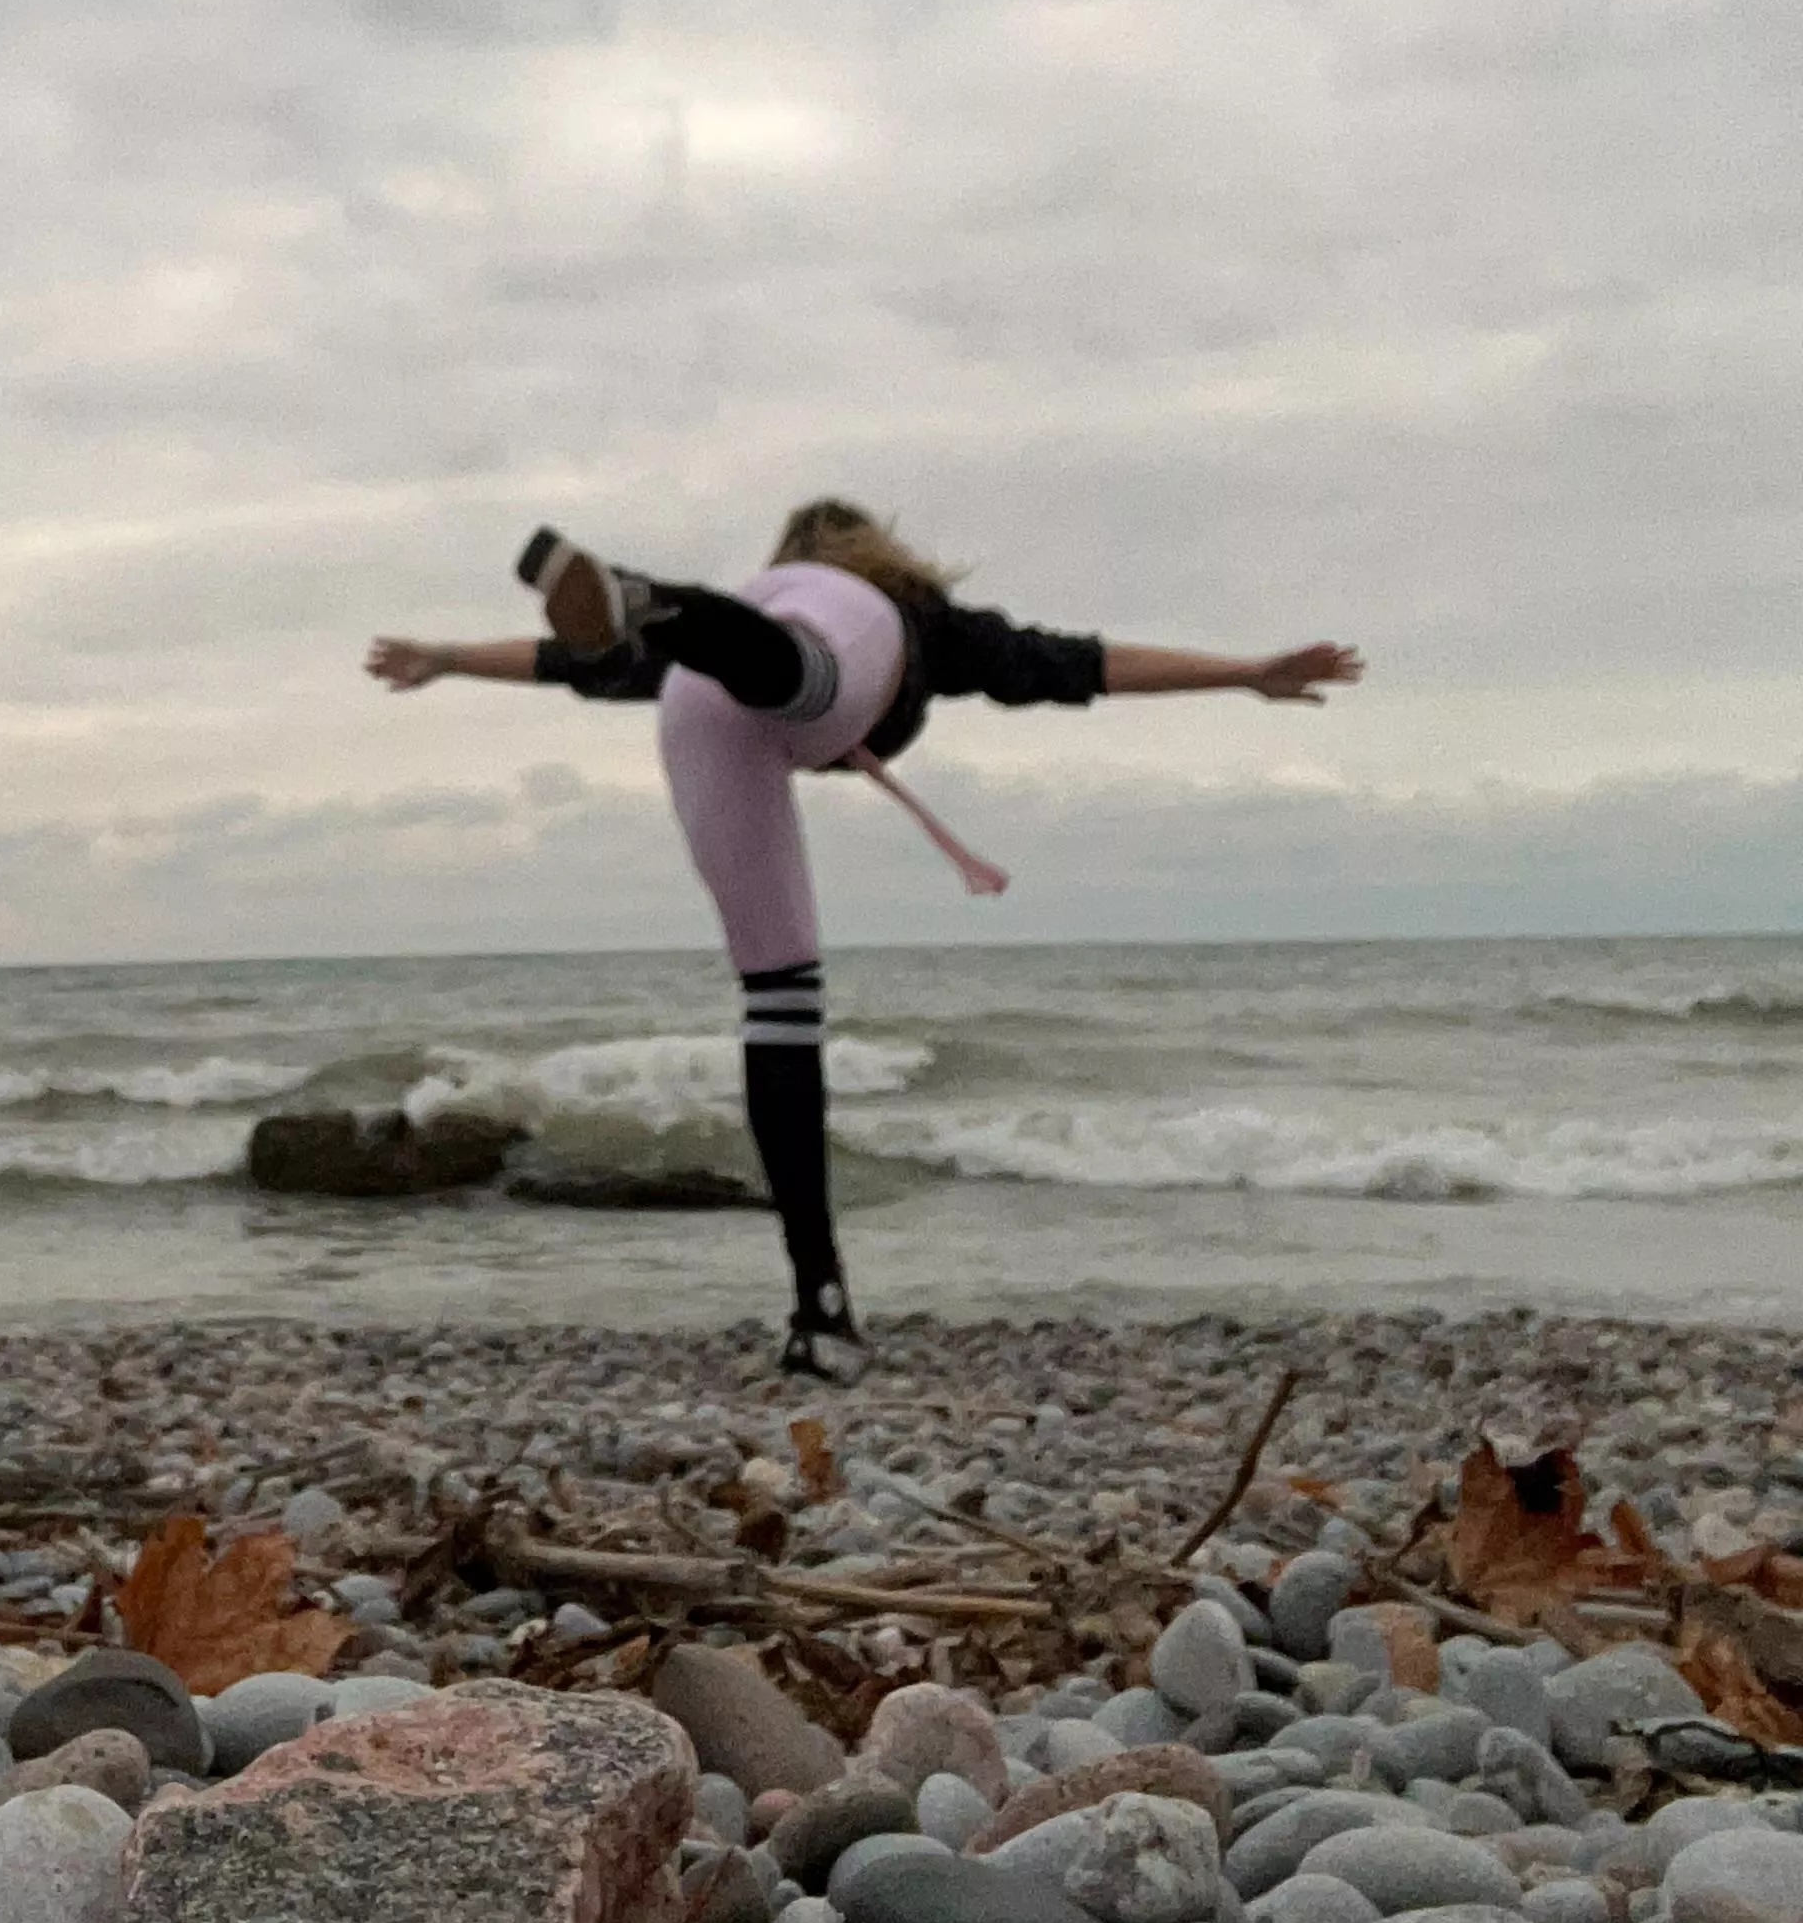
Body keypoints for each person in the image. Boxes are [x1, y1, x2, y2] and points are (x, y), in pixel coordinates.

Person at [365, 499, 1361, 1376]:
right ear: (876, 552)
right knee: (809, 681)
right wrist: (1243, 675)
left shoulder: (777, 594)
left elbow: (558, 656)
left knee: (777, 993)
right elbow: (1085, 664)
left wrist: (445, 658)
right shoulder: (914, 614)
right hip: (796, 660)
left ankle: (821, 1310)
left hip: (700, 701)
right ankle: (820, 1312)